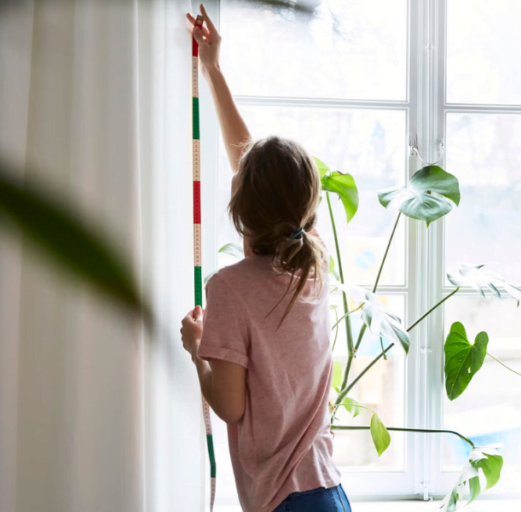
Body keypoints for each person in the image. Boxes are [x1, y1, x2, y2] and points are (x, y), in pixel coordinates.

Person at [180, 5, 350, 512]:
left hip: (282, 501)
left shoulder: (229, 289)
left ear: (240, 206)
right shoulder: (313, 265)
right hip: (329, 491)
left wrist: (196, 349)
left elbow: (230, 407)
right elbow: (256, 173)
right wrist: (213, 70)